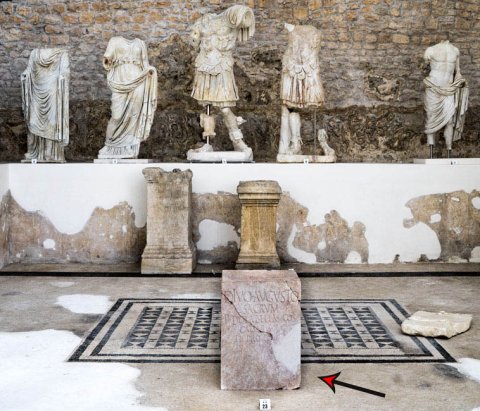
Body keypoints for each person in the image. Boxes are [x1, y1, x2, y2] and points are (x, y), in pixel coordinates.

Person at [423, 40, 469, 158]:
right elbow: (424, 68)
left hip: (449, 89)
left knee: (450, 121)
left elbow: (457, 72)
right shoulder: (430, 50)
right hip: (433, 87)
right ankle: (431, 151)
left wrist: (461, 81)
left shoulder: (455, 51)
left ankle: (449, 149)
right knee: (431, 118)